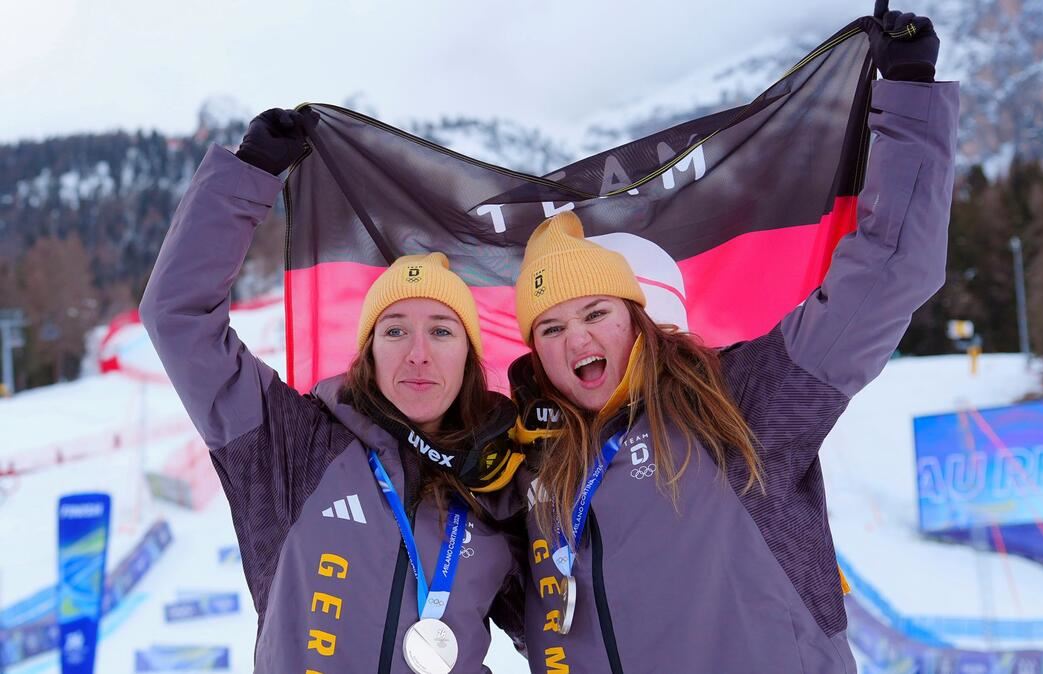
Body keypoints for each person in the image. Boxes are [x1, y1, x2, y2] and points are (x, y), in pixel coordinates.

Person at [506, 3, 956, 673]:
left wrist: (909, 92)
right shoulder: (522, 464)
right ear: (534, 349)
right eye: (552, 327)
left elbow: (888, 274)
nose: (577, 341)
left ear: (636, 317)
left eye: (596, 312)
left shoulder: (740, 400)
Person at [140, 110, 526, 674]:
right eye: (394, 331)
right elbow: (178, 317)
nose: (417, 352)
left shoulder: (504, 482)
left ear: (469, 356)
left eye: (442, 331)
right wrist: (249, 177)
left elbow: (571, 631)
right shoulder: (291, 445)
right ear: (368, 353)